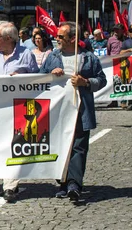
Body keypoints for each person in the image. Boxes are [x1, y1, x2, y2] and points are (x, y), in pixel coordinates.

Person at [40, 22, 106, 202]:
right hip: (58, 111)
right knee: (60, 146)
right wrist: (51, 74)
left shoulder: (88, 58)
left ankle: (74, 184)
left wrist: (85, 82)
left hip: (81, 109)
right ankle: (62, 182)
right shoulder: (53, 57)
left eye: (61, 36)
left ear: (73, 38)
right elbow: (39, 79)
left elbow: (102, 80)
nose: (57, 39)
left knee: (78, 147)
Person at [0, 22, 38, 202]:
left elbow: (38, 80)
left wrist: (22, 78)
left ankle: (10, 186)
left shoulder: (26, 55)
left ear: (8, 38)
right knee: (0, 146)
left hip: (21, 108)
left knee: (15, 146)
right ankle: (6, 180)